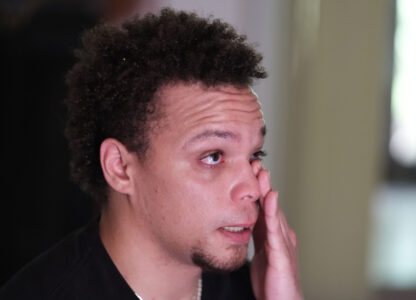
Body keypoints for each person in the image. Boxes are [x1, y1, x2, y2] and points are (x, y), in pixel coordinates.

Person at [1, 8, 302, 300]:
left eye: (253, 155)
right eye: (213, 156)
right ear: (120, 167)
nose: (252, 188)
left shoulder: (257, 288)